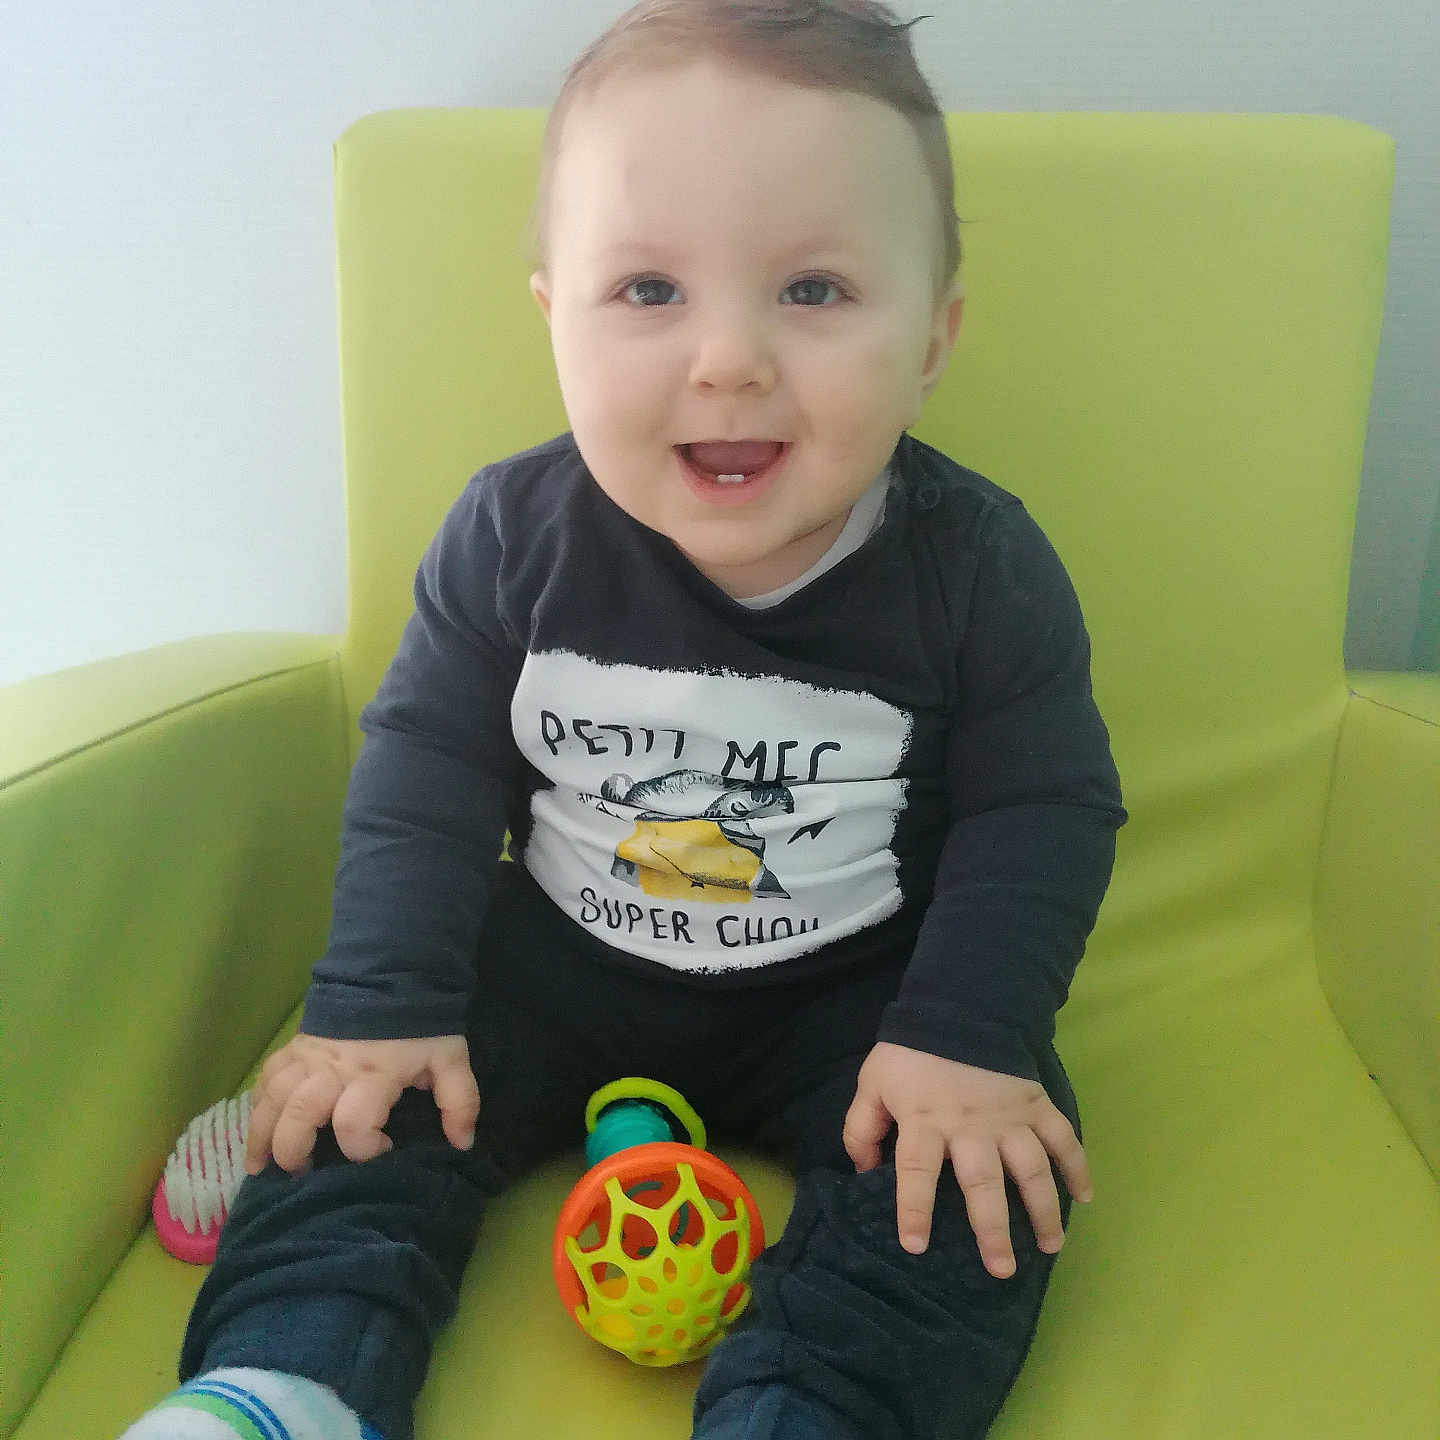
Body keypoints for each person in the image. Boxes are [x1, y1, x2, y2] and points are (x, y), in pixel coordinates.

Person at [122, 2, 1126, 1437]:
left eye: (816, 290)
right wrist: (379, 1008)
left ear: (933, 337)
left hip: (860, 993)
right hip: (551, 962)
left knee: (977, 1180)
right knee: (360, 1108)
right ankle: (287, 1382)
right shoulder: (509, 539)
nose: (729, 360)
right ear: (556, 318)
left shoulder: (980, 570)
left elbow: (1044, 807)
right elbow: (429, 766)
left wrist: (965, 1038)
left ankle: (813, 1410)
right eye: (650, 289)